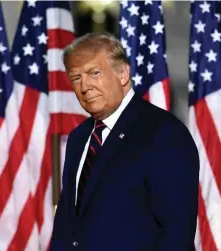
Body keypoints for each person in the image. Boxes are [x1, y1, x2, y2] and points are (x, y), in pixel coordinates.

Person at [50, 32, 199, 251]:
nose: (84, 86)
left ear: (122, 74)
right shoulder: (78, 138)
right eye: (76, 78)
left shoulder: (163, 133)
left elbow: (176, 235)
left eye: (94, 73)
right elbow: (67, 226)